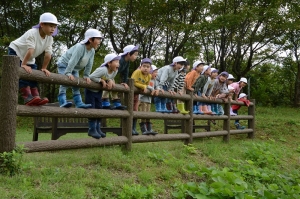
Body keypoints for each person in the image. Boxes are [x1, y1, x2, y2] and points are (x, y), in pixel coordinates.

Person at [8, 12, 60, 106]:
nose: (53, 29)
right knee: (24, 74)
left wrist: (44, 68)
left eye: (55, 26)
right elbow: (30, 50)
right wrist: (23, 65)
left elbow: (48, 55)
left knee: (33, 75)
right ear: (42, 25)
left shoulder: (50, 38)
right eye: (51, 26)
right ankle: (27, 96)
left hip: (29, 57)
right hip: (16, 51)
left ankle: (35, 96)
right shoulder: (32, 33)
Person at [57, 28, 103, 108]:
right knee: (64, 82)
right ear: (90, 40)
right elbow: (73, 60)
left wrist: (86, 75)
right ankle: (62, 101)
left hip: (74, 68)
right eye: (98, 39)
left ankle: (78, 103)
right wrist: (68, 72)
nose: (99, 41)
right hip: (64, 64)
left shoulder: (92, 51)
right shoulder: (80, 47)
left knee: (77, 84)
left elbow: (90, 63)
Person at [84, 53, 120, 139]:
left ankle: (98, 128)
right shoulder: (103, 70)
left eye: (119, 62)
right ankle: (92, 129)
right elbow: (91, 77)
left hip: (98, 92)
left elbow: (109, 78)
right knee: (92, 109)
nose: (118, 64)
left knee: (99, 109)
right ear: (109, 63)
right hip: (90, 91)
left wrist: (110, 80)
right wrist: (100, 80)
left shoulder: (115, 71)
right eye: (116, 61)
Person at [101, 45, 139, 110]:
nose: (136, 57)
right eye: (135, 54)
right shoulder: (120, 59)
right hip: (105, 74)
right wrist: (110, 79)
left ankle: (116, 102)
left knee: (114, 86)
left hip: (111, 75)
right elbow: (111, 69)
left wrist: (124, 82)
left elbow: (125, 73)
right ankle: (104, 102)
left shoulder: (127, 62)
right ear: (128, 53)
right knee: (109, 85)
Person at [131, 58, 158, 135]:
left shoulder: (149, 76)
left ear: (150, 68)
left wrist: (150, 88)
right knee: (133, 111)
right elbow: (133, 81)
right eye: (144, 66)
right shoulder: (137, 72)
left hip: (138, 95)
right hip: (132, 94)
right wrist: (143, 86)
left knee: (136, 111)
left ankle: (136, 129)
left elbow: (146, 85)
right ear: (140, 66)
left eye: (148, 67)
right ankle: (137, 129)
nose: (146, 68)